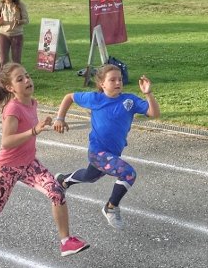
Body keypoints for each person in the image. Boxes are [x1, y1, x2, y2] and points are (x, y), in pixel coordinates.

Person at [0, 63, 89, 257]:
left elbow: (31, 130)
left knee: (57, 192)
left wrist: (46, 124)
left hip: (29, 164)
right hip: (6, 168)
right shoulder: (12, 109)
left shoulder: (32, 102)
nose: (27, 81)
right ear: (10, 88)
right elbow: (6, 142)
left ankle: (66, 242)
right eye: (20, 79)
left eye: (27, 76)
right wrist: (34, 131)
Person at [53, 66, 160, 229]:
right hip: (97, 152)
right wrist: (60, 118)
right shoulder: (94, 98)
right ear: (102, 84)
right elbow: (69, 97)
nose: (118, 82)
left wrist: (148, 93)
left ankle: (63, 180)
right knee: (128, 174)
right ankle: (110, 207)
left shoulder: (129, 101)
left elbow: (154, 113)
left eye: (120, 79)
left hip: (113, 153)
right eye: (112, 80)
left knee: (91, 176)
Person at [0, 0, 29, 73]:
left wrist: (19, 21)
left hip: (17, 35)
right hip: (3, 35)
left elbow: (26, 20)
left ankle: (17, 79)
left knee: (16, 60)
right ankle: (1, 80)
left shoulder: (20, 5)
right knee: (3, 60)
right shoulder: (0, 4)